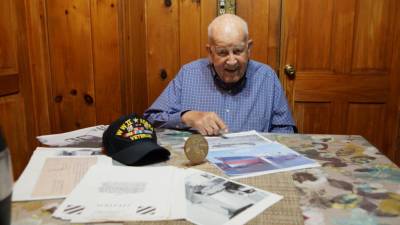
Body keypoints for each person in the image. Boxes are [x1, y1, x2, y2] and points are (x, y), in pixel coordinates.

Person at [144, 14, 295, 136]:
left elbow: (285, 131)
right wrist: (187, 117)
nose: (231, 61)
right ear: (210, 52)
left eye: (238, 51)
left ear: (249, 49)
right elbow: (150, 119)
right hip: (201, 164)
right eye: (222, 52)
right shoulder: (189, 74)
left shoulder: (267, 78)